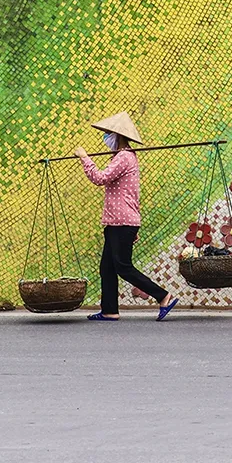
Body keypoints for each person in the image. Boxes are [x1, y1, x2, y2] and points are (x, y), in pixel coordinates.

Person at [74, 112, 178, 322]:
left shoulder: (124, 157)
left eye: (107, 134)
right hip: (117, 222)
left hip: (121, 223)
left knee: (122, 266)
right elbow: (131, 193)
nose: (105, 139)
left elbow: (100, 178)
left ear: (117, 135)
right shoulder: (122, 157)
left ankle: (163, 296)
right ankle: (110, 310)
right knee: (107, 268)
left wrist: (85, 158)